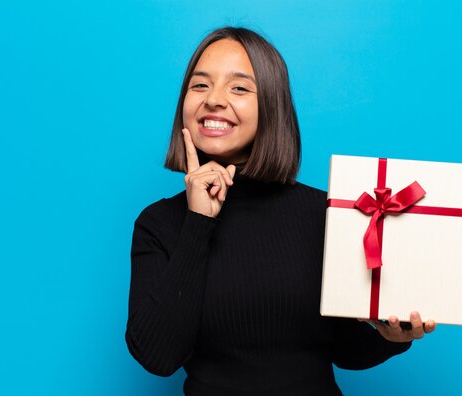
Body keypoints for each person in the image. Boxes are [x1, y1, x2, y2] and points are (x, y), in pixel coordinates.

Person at [125, 26, 436, 395]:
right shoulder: (158, 225)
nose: (214, 100)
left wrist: (391, 337)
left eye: (238, 87)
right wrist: (198, 223)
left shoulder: (326, 213)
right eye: (200, 85)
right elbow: (158, 357)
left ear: (271, 105)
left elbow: (345, 349)